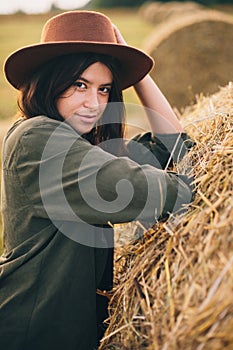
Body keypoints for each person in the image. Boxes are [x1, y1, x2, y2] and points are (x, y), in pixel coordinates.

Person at [0, 10, 194, 350]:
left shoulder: (74, 143)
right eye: (79, 85)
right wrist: (216, 186)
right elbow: (164, 191)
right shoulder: (40, 141)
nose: (94, 104)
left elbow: (174, 148)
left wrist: (138, 76)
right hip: (33, 331)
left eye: (105, 89)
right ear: (48, 80)